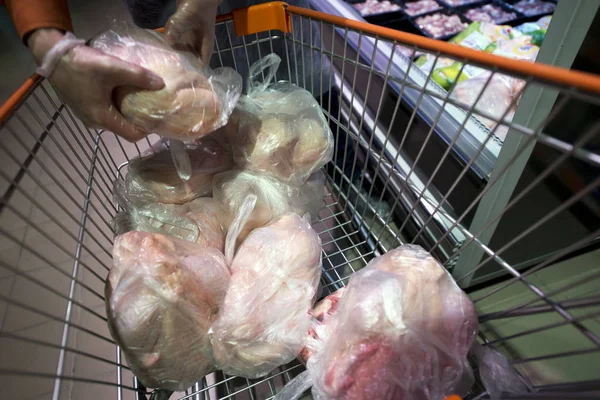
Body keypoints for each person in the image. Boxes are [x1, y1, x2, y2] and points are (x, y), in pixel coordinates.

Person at [2, 0, 329, 142]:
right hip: (163, 8)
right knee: (200, 118)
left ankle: (357, 188)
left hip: (265, 9)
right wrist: (50, 44)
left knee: (305, 82)